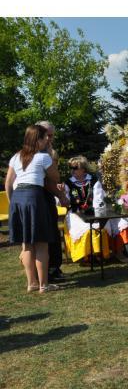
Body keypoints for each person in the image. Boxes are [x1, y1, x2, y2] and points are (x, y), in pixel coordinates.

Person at [4, 125, 65, 293]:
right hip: (34, 197)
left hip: (18, 197)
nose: (47, 140)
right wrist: (50, 155)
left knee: (27, 245)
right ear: (38, 139)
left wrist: (12, 203)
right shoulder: (43, 157)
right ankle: (44, 285)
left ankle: (31, 283)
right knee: (41, 244)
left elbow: (8, 183)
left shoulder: (16, 156)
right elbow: (56, 177)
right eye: (45, 137)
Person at [63, 156, 111, 262]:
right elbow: (65, 201)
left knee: (98, 227)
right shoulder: (68, 183)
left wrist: (96, 213)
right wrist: (61, 193)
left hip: (92, 211)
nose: (72, 170)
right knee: (84, 229)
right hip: (75, 212)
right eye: (71, 167)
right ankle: (85, 256)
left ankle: (98, 254)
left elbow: (98, 198)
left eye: (75, 168)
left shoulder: (93, 180)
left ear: (83, 169)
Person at [35, 120, 66, 282]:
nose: (50, 138)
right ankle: (44, 272)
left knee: (53, 232)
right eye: (47, 135)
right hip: (39, 196)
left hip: (48, 197)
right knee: (43, 236)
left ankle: (54, 267)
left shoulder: (50, 152)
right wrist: (61, 195)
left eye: (52, 135)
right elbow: (49, 179)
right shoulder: (36, 154)